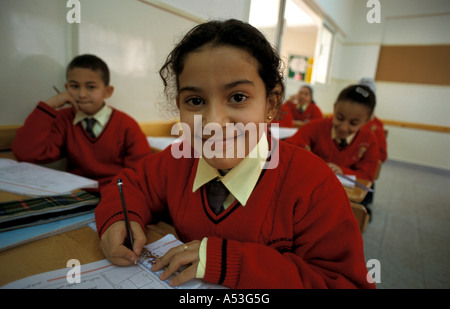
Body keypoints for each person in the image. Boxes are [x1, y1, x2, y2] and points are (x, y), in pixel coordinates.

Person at [95, 19, 374, 289]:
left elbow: (343, 282)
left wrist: (229, 262)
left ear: (271, 104)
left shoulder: (313, 185)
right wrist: (120, 217)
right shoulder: (178, 158)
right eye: (195, 101)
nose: (213, 122)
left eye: (238, 97)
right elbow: (129, 185)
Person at [12, 54, 152, 192]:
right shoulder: (63, 120)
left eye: (91, 87)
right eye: (74, 86)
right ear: (66, 88)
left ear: (107, 92)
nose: (82, 94)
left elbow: (140, 173)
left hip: (116, 194)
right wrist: (50, 105)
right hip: (76, 195)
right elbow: (26, 153)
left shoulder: (126, 125)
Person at [286, 84, 380, 182]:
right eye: (339, 118)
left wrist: (343, 172)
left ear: (366, 121)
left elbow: (366, 176)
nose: (343, 128)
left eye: (353, 123)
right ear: (335, 108)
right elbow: (289, 149)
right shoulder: (316, 127)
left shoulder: (369, 141)